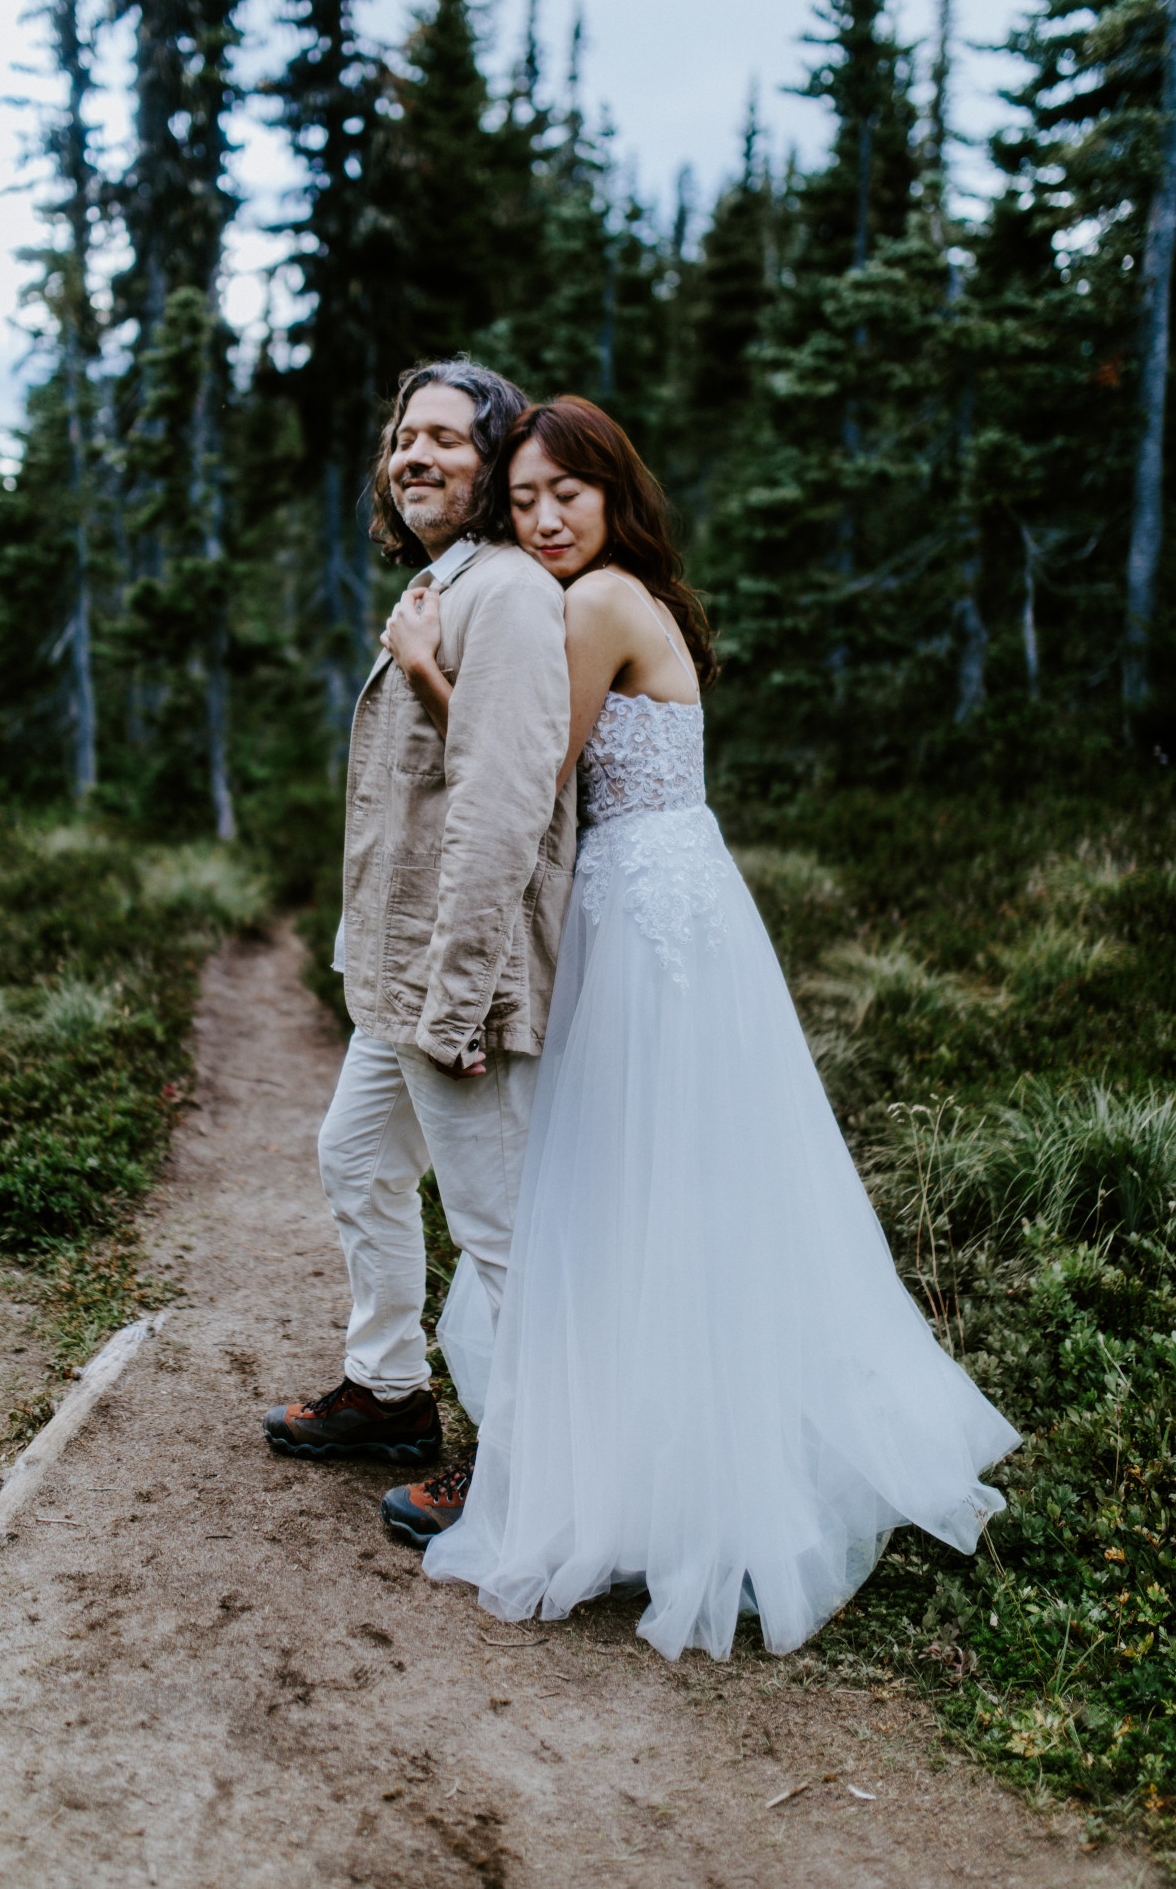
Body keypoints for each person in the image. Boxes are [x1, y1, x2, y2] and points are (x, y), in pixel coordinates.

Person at [378, 395, 1019, 1661]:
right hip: (660, 899)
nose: (545, 518)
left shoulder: (600, 602)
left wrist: (421, 667)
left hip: (642, 914)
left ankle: (638, 1480)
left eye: (568, 492)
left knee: (628, 1193)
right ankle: (646, 1455)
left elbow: (528, 768)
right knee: (664, 1198)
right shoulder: (617, 599)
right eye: (520, 503)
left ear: (616, 496)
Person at [262, 361, 576, 1541]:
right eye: (403, 436)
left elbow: (505, 809)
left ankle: (525, 1470)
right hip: (399, 980)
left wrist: (457, 1003)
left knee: (497, 1235)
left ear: (494, 464)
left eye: (447, 437)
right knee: (356, 1161)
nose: (414, 455)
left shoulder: (503, 593)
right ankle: (389, 1396)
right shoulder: (447, 589)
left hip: (459, 987)